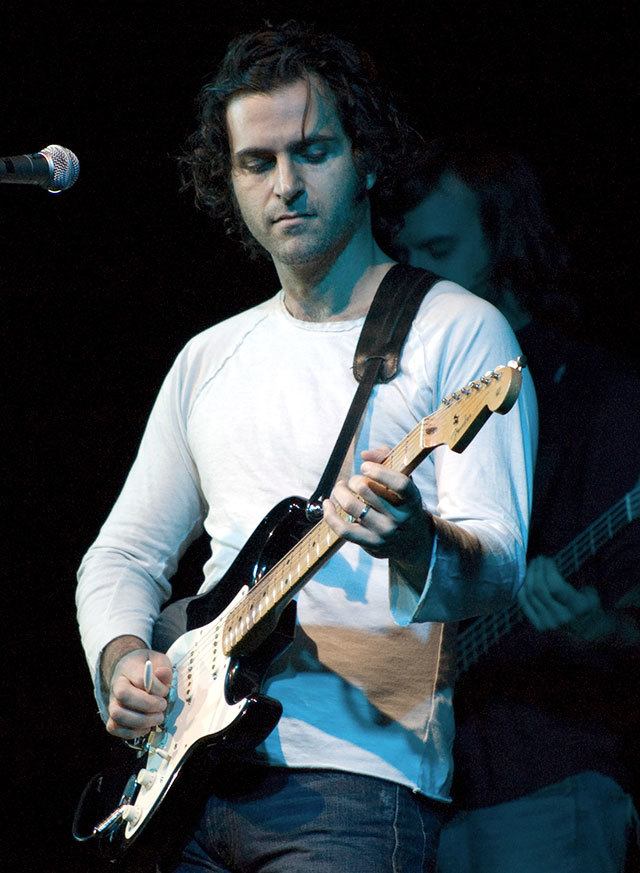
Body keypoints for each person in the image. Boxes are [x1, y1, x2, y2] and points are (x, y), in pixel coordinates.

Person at [76, 28, 535, 873]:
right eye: (257, 163)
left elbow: (498, 567)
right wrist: (123, 659)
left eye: (312, 152)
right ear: (228, 181)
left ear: (366, 158)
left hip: (357, 787)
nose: (285, 184)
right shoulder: (210, 357)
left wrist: (412, 540)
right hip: (183, 783)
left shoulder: (458, 331)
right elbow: (123, 554)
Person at [390, 140, 640, 872]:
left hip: (545, 782)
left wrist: (598, 625)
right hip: (411, 799)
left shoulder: (597, 392)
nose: (417, 275)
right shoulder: (403, 405)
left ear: (505, 243)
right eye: (406, 255)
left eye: (440, 250)